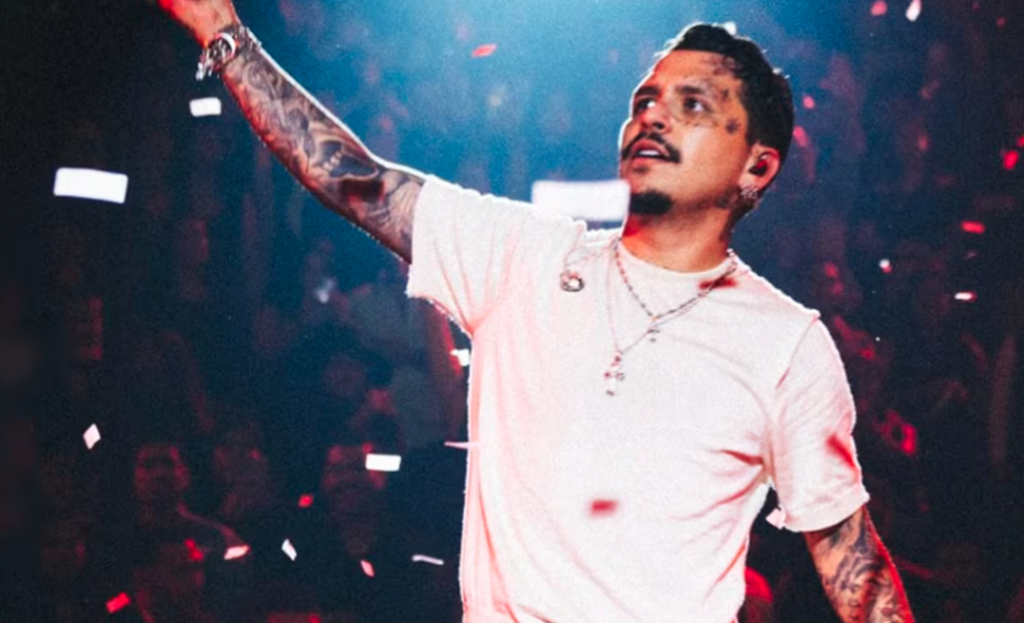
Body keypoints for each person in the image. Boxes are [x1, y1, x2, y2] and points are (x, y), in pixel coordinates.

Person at [157, 1, 915, 621]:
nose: (652, 116)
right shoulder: (526, 256)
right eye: (645, 100)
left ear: (757, 165)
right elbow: (355, 180)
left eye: (692, 105)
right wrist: (225, 34)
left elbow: (854, 565)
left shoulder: (783, 344)